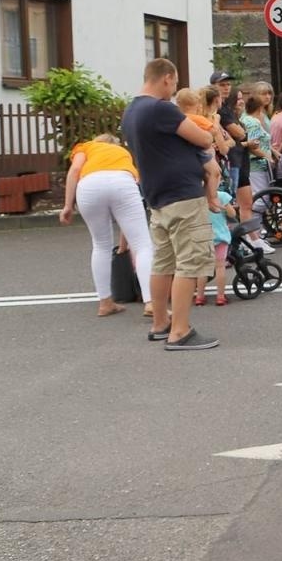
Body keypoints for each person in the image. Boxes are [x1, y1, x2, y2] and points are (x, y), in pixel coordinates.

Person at [121, 59, 219, 351]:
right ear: (166, 78)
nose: (174, 90)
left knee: (163, 262)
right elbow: (202, 137)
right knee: (190, 262)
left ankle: (160, 322)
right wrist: (208, 136)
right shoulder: (161, 109)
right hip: (183, 196)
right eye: (174, 83)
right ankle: (180, 330)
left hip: (157, 197)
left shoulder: (132, 111)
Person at [58, 133, 154, 318]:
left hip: (89, 185)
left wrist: (68, 205)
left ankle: (105, 303)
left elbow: (75, 170)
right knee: (142, 245)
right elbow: (138, 179)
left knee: (100, 245)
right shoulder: (122, 152)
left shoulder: (85, 146)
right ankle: (150, 302)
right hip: (122, 182)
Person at [211, 72, 253, 221]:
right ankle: (228, 239)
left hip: (239, 157)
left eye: (228, 84)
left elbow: (236, 137)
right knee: (227, 203)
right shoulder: (218, 111)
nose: (226, 88)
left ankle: (250, 239)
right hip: (228, 161)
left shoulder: (227, 108)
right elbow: (239, 134)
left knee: (244, 202)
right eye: (222, 85)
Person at [195, 187, 236, 307]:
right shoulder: (222, 196)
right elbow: (232, 213)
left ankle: (200, 297)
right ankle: (221, 296)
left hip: (203, 237)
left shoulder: (197, 197)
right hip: (220, 236)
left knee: (203, 268)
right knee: (220, 266)